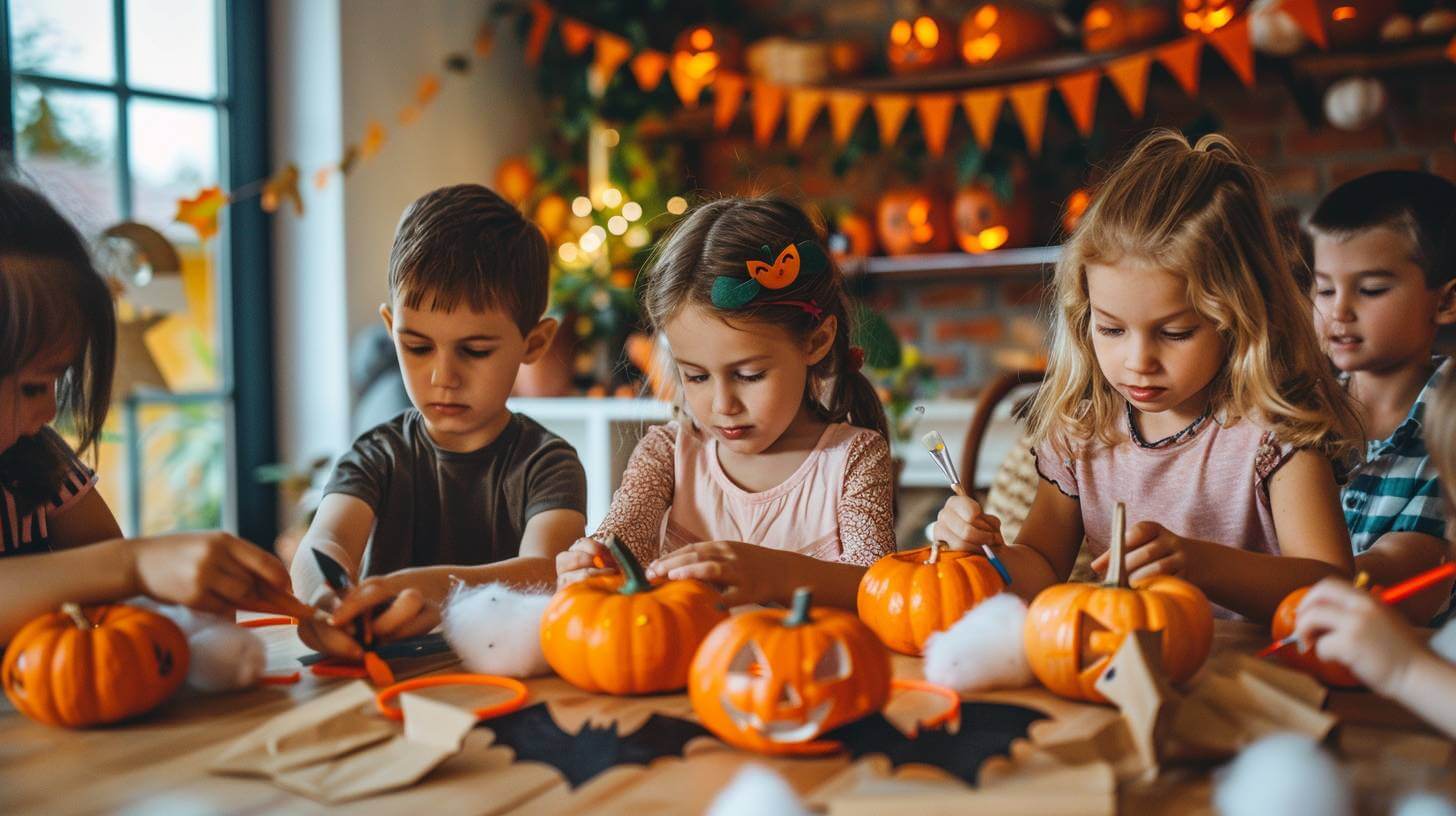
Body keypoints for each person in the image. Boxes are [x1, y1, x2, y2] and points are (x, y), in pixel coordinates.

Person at [933, 130, 1360, 622]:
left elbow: (1331, 586)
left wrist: (1203, 564)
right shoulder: (1083, 434)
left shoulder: (1273, 436)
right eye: (1111, 329)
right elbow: (1039, 572)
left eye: (1175, 333)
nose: (1139, 361)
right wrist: (982, 555)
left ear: (1241, 318)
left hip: (1261, 679)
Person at [292, 184, 587, 659]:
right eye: (417, 346)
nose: (442, 376)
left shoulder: (548, 462)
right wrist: (323, 599)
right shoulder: (376, 454)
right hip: (386, 678)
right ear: (391, 329)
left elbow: (546, 571)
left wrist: (432, 587)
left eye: (474, 351)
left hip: (510, 677)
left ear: (534, 343)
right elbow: (322, 543)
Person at [556, 197, 895, 609]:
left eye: (749, 375)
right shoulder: (666, 455)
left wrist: (774, 574)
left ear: (816, 341)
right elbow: (622, 538)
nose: (722, 404)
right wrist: (593, 562)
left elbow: (879, 589)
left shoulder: (853, 457)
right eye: (696, 376)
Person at [0, 175, 289, 643]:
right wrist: (133, 563)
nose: (51, 410)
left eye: (58, 382)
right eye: (34, 387)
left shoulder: (36, 460)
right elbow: (114, 568)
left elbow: (115, 589)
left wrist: (199, 589)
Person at [1308, 171, 1456, 622]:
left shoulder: (1447, 424)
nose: (1339, 311)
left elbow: (1408, 573)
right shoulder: (1302, 413)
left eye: (1371, 289)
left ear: (1447, 303)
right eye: (1325, 288)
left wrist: (1275, 579)